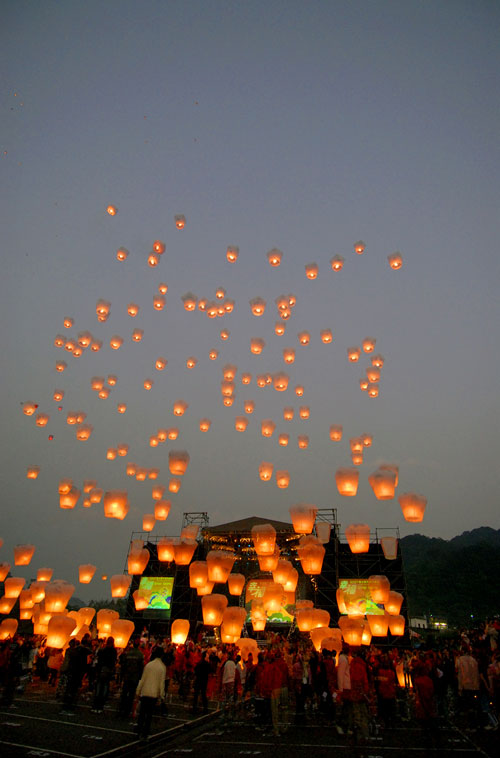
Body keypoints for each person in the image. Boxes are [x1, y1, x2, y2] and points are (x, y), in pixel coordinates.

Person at [135, 647, 166, 740]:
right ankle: (145, 733)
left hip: (145, 692)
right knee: (149, 715)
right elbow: (161, 683)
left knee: (142, 713)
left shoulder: (148, 665)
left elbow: (142, 679)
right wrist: (162, 696)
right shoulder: (162, 667)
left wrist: (138, 691)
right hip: (154, 694)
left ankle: (138, 730)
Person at [118, 637, 144, 719]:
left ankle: (121, 710)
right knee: (131, 695)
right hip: (134, 678)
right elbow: (141, 667)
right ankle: (127, 711)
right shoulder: (140, 654)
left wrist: (122, 675)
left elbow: (124, 665)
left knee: (124, 693)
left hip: (127, 676)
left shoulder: (128, 653)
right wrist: (140, 677)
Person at [92, 637, 117, 713]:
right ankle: (100, 706)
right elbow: (113, 662)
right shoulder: (113, 651)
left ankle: (95, 706)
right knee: (104, 688)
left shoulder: (103, 650)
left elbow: (98, 659)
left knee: (99, 688)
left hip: (101, 670)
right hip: (107, 671)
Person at [192, 650, 211, 714]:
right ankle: (205, 708)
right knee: (203, 695)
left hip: (198, 680)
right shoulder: (207, 664)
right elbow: (210, 671)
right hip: (204, 681)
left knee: (196, 695)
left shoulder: (199, 663)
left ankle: (194, 708)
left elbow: (195, 671)